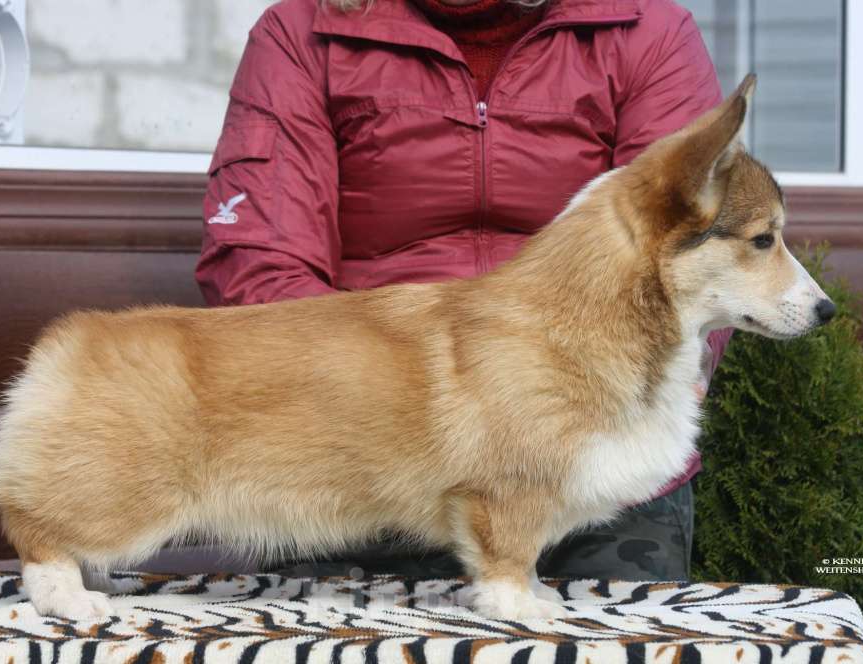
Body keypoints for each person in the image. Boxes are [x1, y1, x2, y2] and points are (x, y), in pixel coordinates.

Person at [196, 0, 733, 581]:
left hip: (599, 455)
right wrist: (417, 417)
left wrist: (639, 383)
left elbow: (693, 238)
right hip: (371, 456)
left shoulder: (644, 26)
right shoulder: (305, 31)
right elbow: (263, 269)